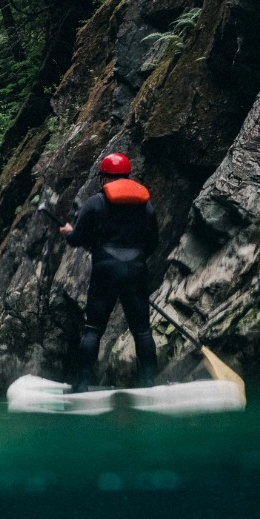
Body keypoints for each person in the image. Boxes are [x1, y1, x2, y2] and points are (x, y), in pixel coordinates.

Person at [60, 151, 160, 391]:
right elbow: (153, 242)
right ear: (127, 175)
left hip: (105, 269)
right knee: (142, 330)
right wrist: (135, 259)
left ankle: (84, 384)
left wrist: (68, 231)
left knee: (93, 329)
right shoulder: (145, 205)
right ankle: (149, 382)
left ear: (104, 178)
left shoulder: (96, 202)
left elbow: (76, 239)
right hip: (136, 269)